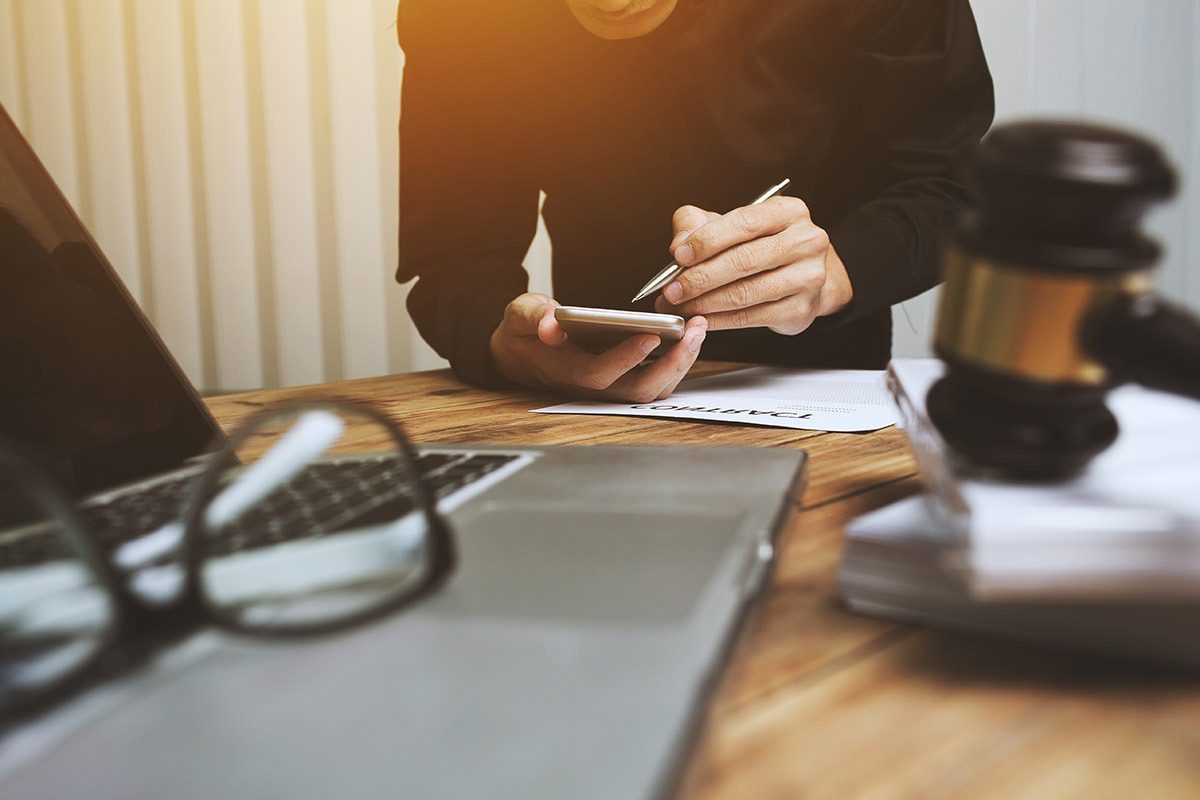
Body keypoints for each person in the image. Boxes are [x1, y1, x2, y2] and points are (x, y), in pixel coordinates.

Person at [396, 0, 994, 401]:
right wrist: (505, 346)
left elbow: (951, 186)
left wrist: (838, 272)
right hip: (592, 396)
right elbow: (453, 249)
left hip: (819, 383)